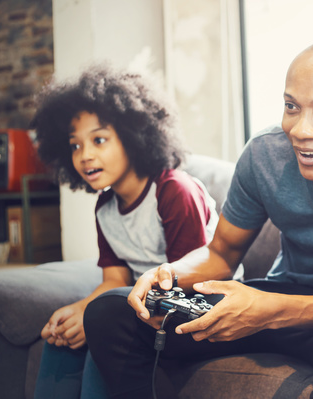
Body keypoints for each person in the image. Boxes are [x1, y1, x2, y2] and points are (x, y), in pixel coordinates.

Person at [83, 36, 313, 399]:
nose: (301, 130)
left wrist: (274, 312)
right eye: (292, 106)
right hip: (284, 292)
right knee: (111, 312)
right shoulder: (263, 154)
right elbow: (222, 254)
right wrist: (170, 273)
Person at [31, 64, 219, 399]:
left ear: (134, 136)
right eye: (75, 146)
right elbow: (114, 280)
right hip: (134, 303)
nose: (85, 155)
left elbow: (193, 280)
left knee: (101, 333)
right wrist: (79, 311)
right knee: (61, 337)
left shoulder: (174, 191)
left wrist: (94, 317)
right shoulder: (105, 206)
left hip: (197, 303)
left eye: (99, 140)